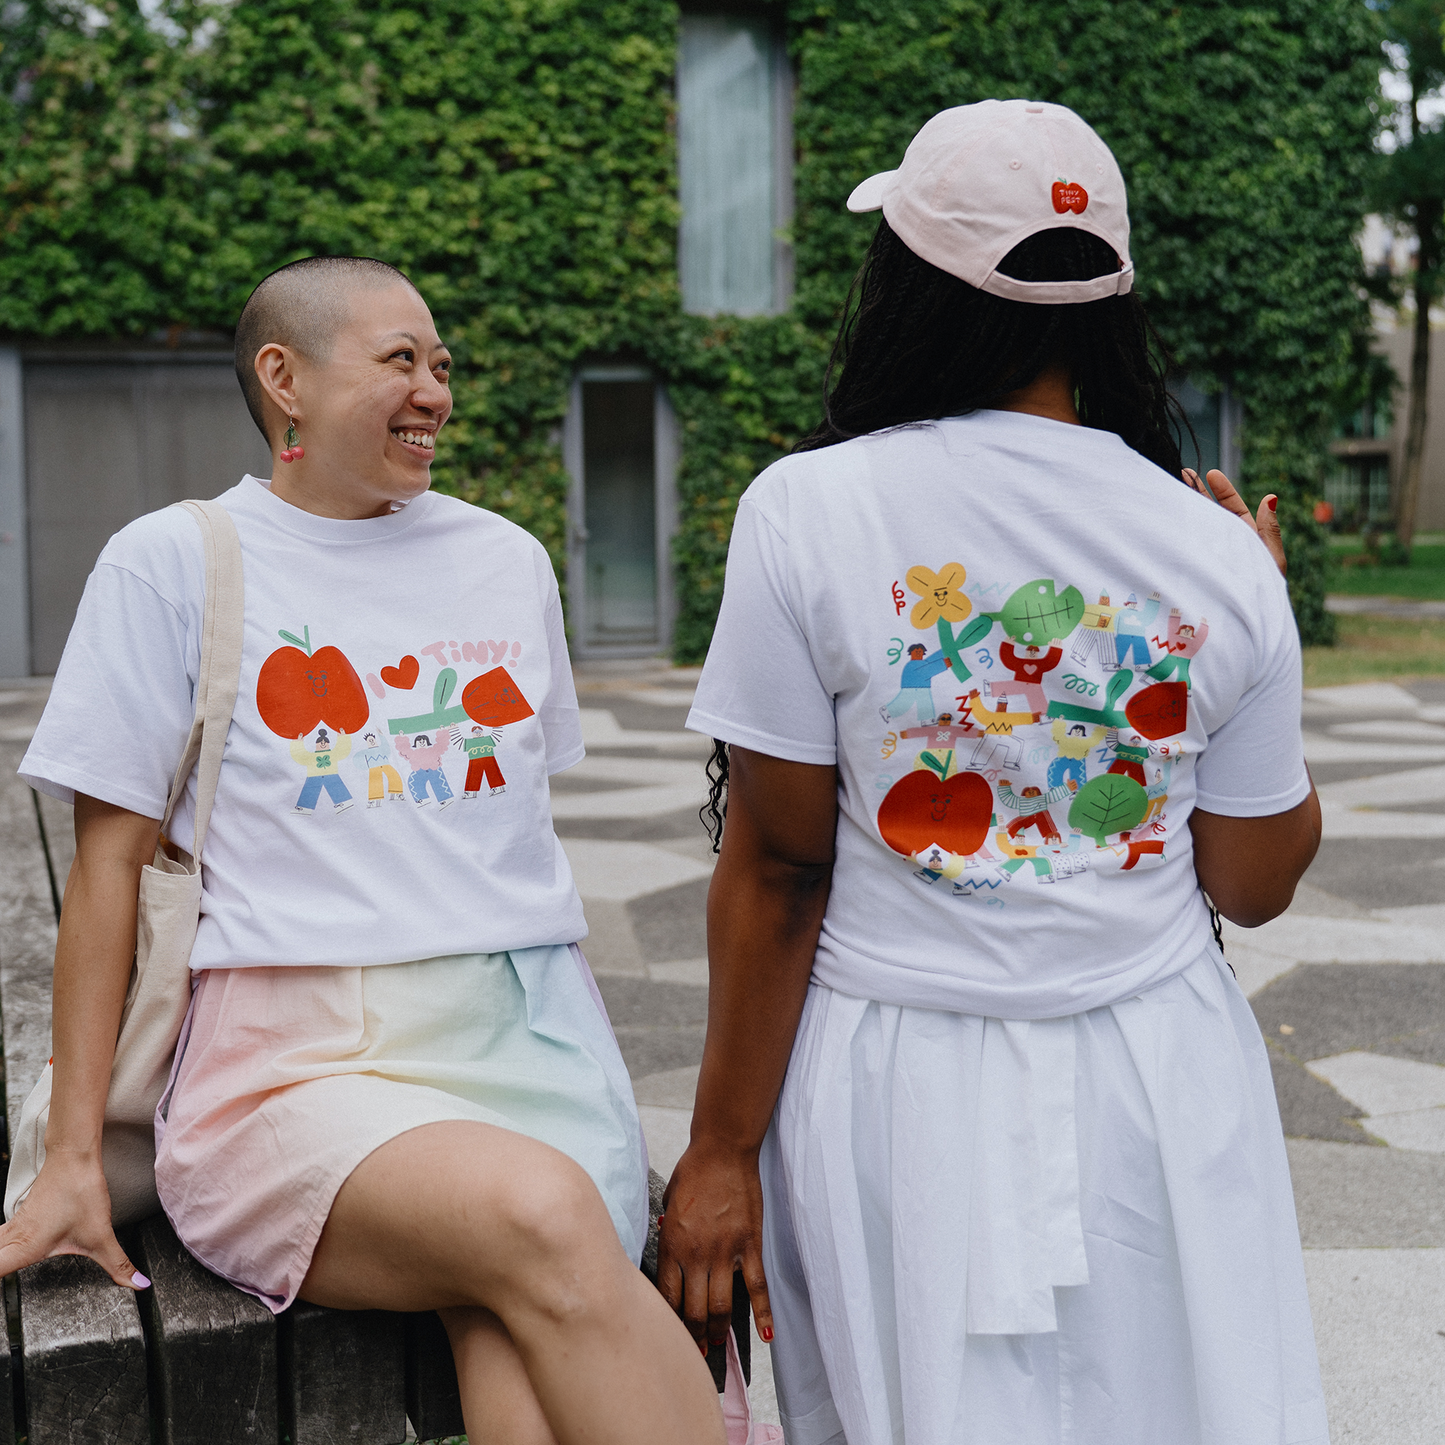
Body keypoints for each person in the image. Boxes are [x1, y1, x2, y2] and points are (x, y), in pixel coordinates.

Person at [659, 101, 1325, 1445]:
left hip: (895, 1086)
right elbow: (1254, 882)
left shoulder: (811, 508)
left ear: (908, 284)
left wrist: (720, 1150)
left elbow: (783, 866)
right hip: (1158, 1078)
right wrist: (1264, 603)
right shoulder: (1209, 549)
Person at [6, 256, 724, 1445]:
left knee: (511, 1327)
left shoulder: (505, 558)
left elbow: (496, 831)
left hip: (527, 1036)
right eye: (400, 359)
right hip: (290, 1067)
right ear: (282, 377)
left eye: (441, 363)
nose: (436, 389)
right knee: (540, 1219)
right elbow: (105, 874)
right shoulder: (173, 561)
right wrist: (74, 1154)